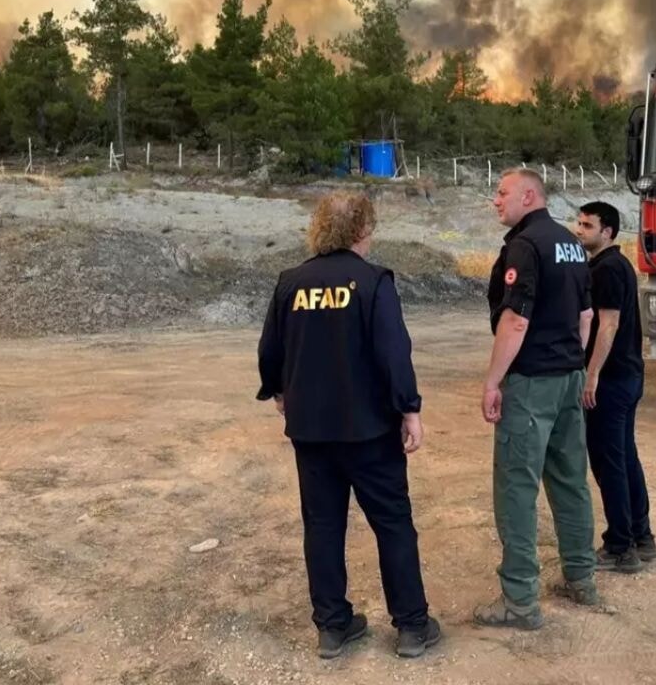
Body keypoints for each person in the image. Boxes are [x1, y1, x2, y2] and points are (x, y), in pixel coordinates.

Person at [256, 191, 440, 659]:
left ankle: (333, 627)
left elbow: (269, 351)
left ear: (319, 229)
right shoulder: (374, 282)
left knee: (322, 526)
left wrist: (278, 391)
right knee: (393, 524)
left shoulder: (290, 282)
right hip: (370, 431)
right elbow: (393, 353)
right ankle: (412, 627)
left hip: (311, 430)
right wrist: (410, 409)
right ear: (363, 231)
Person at [474, 168, 599, 631]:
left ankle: (520, 601)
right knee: (570, 481)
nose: (495, 200)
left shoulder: (524, 246)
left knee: (516, 489)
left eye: (502, 192)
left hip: (532, 383)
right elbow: (585, 316)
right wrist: (575, 363)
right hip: (569, 374)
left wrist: (493, 381)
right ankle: (581, 577)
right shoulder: (570, 242)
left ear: (529, 195)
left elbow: (516, 321)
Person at [573, 201, 656, 574]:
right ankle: (643, 538)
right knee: (624, 458)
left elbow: (607, 325)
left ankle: (620, 547)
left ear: (607, 231)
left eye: (587, 225)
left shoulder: (607, 269)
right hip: (627, 376)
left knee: (609, 464)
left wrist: (591, 375)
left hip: (610, 381)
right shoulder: (617, 265)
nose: (579, 230)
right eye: (578, 223)